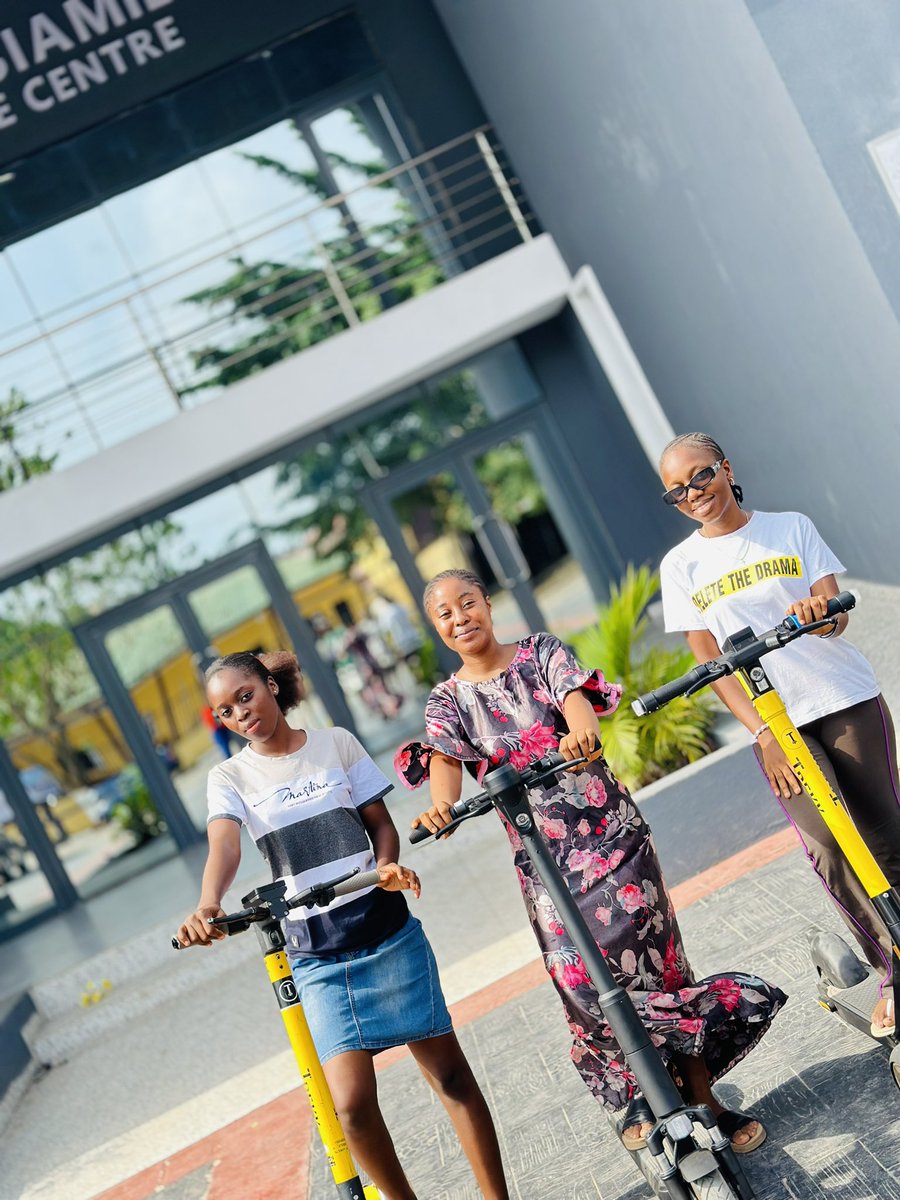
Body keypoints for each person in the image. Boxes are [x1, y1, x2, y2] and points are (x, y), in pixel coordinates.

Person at [399, 569, 786, 1153]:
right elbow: (445, 762)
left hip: (616, 844)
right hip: (545, 864)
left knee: (662, 973)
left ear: (487, 604)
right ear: (437, 628)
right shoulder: (447, 701)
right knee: (581, 983)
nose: (461, 619)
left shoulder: (539, 652)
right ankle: (640, 1093)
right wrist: (441, 808)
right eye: (446, 614)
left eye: (469, 603)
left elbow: (577, 704)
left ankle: (705, 1102)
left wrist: (580, 735)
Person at [175, 650, 508, 1200]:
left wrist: (383, 869)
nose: (241, 713)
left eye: (245, 695)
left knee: (451, 1077)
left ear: (269, 687)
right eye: (227, 712)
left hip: (387, 932)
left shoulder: (337, 743)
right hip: (318, 957)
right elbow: (225, 844)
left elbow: (380, 825)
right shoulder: (230, 777)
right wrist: (209, 902)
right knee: (351, 1106)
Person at [658, 431, 900, 1038]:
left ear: (725, 468)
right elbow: (708, 660)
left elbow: (835, 611)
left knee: (885, 830)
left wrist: (820, 616)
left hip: (841, 697)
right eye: (678, 490)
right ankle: (892, 973)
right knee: (831, 848)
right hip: (777, 725)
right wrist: (763, 732)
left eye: (701, 476)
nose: (694, 493)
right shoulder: (681, 565)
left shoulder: (790, 526)